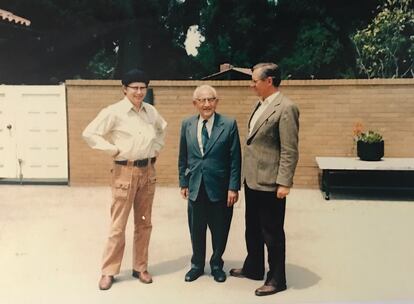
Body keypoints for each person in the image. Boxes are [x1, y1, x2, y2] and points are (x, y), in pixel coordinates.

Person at [82, 68, 167, 290]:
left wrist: (155, 148)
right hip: (124, 173)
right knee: (118, 226)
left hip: (147, 172)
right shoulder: (114, 112)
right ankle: (109, 271)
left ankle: (140, 267)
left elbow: (162, 130)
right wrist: (112, 150)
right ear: (125, 89)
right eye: (135, 88)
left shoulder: (150, 112)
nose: (139, 92)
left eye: (142, 88)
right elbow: (89, 133)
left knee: (144, 223)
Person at [229, 63, 299, 296]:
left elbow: (289, 149)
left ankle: (277, 279)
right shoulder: (259, 105)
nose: (252, 85)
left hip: (271, 183)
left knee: (272, 231)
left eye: (255, 81)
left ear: (269, 81)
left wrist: (285, 182)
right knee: (253, 228)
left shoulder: (286, 108)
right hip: (253, 180)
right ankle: (254, 267)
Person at [178, 84, 241, 283]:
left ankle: (216, 265)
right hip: (196, 187)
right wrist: (183, 182)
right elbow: (183, 156)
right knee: (196, 229)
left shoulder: (229, 124)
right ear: (195, 103)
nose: (207, 104)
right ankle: (197, 265)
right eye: (202, 100)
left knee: (220, 229)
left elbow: (235, 158)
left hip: (220, 189)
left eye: (211, 99)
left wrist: (233, 187)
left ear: (216, 102)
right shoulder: (187, 124)